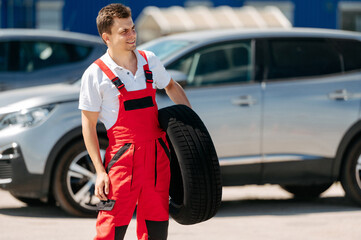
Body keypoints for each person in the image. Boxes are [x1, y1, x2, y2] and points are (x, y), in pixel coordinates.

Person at [78, 3, 191, 240]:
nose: (132, 35)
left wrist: (193, 127)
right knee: (110, 229)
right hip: (122, 160)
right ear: (106, 37)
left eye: (132, 28)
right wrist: (99, 171)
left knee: (156, 229)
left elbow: (171, 86)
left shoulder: (149, 60)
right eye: (124, 31)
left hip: (157, 157)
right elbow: (88, 126)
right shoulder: (95, 74)